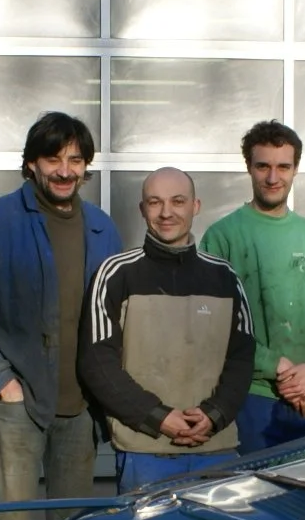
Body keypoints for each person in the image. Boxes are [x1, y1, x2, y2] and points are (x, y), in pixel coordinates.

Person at [0, 112, 122, 520]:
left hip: (80, 409)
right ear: (31, 163)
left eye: (75, 160)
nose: (64, 171)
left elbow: (115, 318)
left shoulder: (102, 228)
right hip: (18, 406)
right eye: (53, 159)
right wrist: (3, 383)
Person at [79, 167, 255, 490]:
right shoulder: (115, 274)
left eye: (177, 201)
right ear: (142, 209)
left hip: (215, 449)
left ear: (195, 206)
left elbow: (242, 358)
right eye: (155, 202)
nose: (166, 212)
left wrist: (214, 414)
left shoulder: (225, 277)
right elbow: (97, 362)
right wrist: (158, 417)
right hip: (144, 451)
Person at [199, 120, 305, 454]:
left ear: (296, 169)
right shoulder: (222, 237)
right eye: (263, 166)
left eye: (283, 167)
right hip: (249, 400)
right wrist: (276, 366)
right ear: (248, 167)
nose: (273, 178)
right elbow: (213, 324)